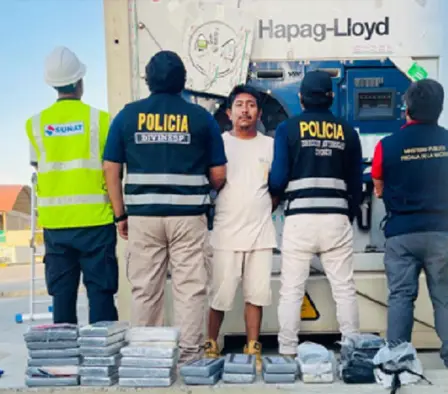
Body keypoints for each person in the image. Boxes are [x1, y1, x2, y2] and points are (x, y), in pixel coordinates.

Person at [103, 50, 226, 364]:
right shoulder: (201, 118)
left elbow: (110, 168)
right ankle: (189, 358)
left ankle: (149, 358)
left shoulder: (127, 116)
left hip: (144, 218)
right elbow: (219, 174)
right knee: (190, 288)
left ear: (148, 80)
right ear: (183, 81)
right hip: (188, 219)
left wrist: (120, 215)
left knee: (146, 289)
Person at [372, 78, 448, 369]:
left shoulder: (386, 145)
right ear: (439, 109)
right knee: (445, 297)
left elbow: (378, 186)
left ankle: (398, 360)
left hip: (401, 234)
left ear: (407, 108)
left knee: (401, 296)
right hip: (443, 232)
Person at [268, 70, 362, 356]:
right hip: (336, 219)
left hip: (300, 220)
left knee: (291, 290)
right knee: (344, 288)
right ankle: (352, 348)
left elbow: (277, 179)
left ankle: (286, 350)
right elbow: (356, 184)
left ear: (301, 98)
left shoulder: (288, 129)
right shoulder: (347, 131)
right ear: (331, 97)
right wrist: (349, 214)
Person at [26, 46, 118, 325]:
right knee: (101, 295)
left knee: (62, 298)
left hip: (56, 227)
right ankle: (101, 362)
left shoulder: (36, 124)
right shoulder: (101, 121)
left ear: (52, 85)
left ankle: (63, 365)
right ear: (80, 82)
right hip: (96, 224)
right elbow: (111, 168)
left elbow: (38, 168)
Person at [204, 85, 277, 364]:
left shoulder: (270, 145)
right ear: (228, 112)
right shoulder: (219, 143)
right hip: (225, 234)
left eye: (251, 105)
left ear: (259, 113)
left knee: (256, 295)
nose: (245, 109)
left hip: (260, 233)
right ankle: (211, 343)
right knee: (219, 295)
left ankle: (252, 347)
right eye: (239, 105)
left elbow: (276, 185)